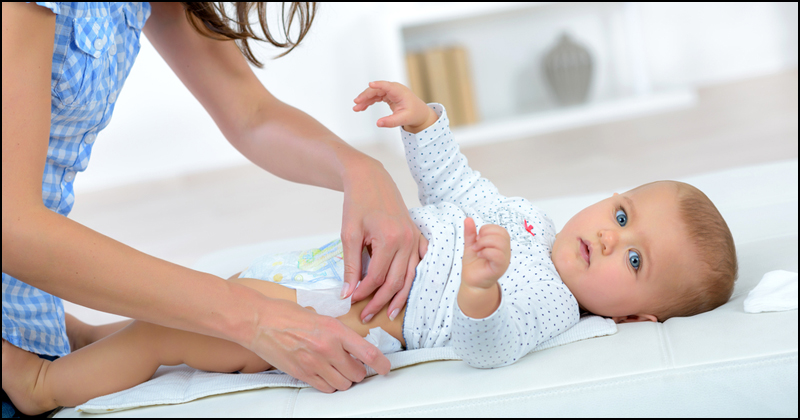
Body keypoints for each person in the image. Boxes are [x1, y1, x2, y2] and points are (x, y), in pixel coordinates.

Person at [1, 80, 739, 415]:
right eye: (621, 212)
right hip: (331, 276)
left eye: (633, 259)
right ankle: (99, 340)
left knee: (180, 329)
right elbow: (456, 184)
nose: (610, 236)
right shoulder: (529, 224)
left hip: (346, 323)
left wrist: (479, 290)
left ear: (639, 318)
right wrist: (426, 126)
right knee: (205, 298)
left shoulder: (552, 308)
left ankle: (43, 390)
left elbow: (488, 348)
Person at [1, 2, 429, 410]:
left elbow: (252, 113)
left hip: (29, 322)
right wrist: (254, 319)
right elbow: (13, 229)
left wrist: (360, 170)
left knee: (205, 317)